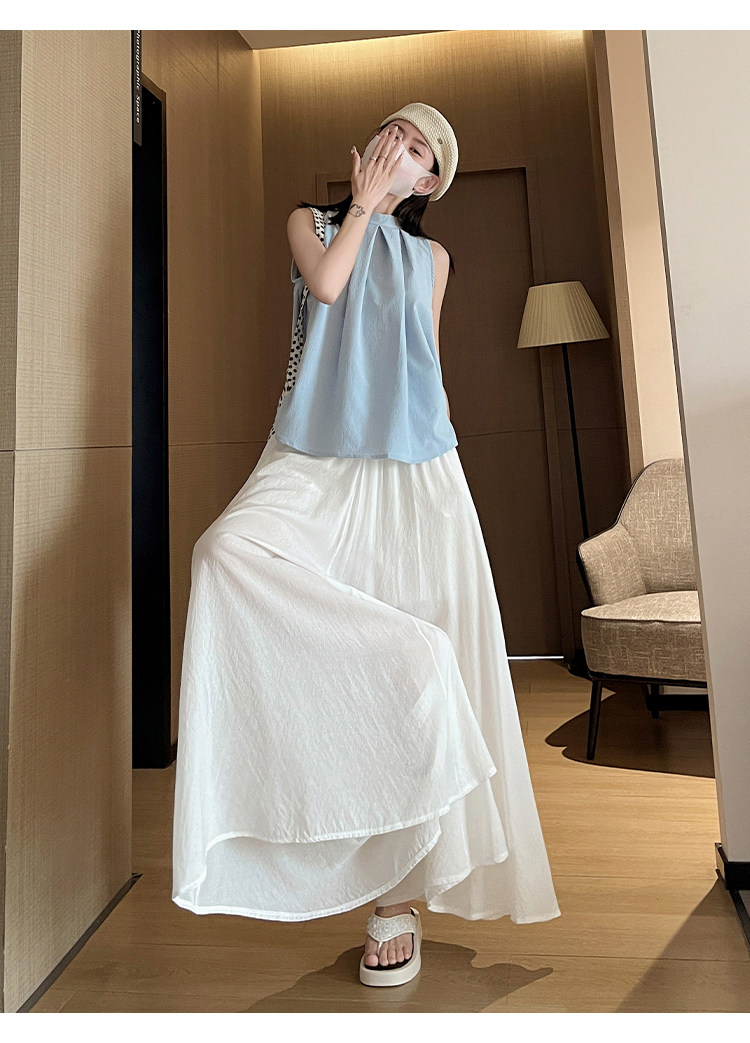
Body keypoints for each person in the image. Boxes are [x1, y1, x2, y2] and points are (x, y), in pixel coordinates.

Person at [171, 102, 561, 990]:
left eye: (422, 149)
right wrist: (359, 207)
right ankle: (416, 661)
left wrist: (443, 471)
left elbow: (424, 362)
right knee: (223, 555)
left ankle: (396, 900)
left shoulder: (434, 258)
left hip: (414, 466)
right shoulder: (310, 223)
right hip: (313, 457)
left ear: (431, 182)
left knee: (414, 624)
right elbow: (329, 286)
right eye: (397, 132)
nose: (403, 148)